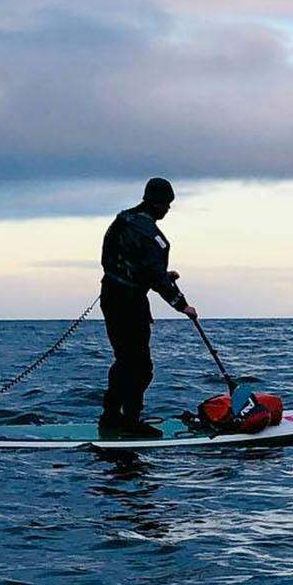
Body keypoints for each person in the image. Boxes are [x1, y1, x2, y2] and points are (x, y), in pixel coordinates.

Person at [99, 177, 197, 436]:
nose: (168, 209)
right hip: (129, 305)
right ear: (159, 203)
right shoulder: (150, 233)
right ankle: (130, 422)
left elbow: (129, 264)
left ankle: (110, 417)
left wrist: (164, 276)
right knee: (141, 367)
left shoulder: (122, 221)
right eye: (167, 204)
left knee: (124, 361)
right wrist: (182, 305)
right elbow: (153, 272)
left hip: (111, 296)